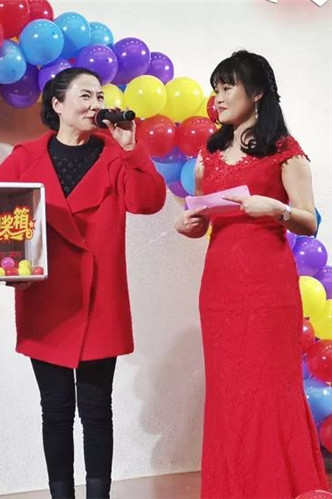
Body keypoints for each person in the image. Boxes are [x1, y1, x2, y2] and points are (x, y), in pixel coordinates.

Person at [0, 67, 166, 498]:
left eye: (100, 96)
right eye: (85, 96)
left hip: (100, 298)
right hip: (46, 299)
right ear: (57, 104)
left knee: (96, 409)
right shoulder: (24, 157)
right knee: (55, 410)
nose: (96, 105)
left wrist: (132, 149)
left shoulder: (115, 154)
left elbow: (148, 202)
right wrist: (13, 271)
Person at [175, 50, 328, 498]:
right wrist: (190, 224)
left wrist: (276, 208)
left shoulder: (286, 150)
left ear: (257, 92)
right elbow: (203, 218)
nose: (218, 98)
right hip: (220, 286)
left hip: (268, 287)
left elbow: (309, 221)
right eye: (216, 89)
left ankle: (279, 487)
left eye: (228, 88)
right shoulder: (209, 152)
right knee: (228, 390)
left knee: (268, 387)